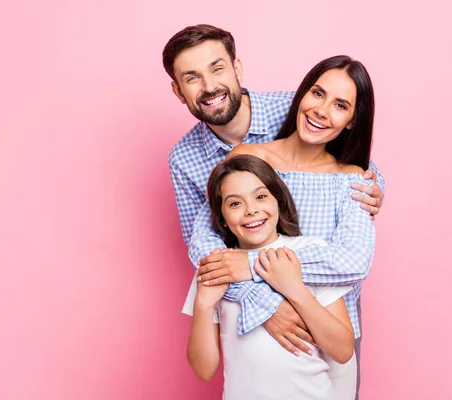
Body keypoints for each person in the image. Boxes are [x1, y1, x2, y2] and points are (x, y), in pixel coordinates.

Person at [163, 24, 385, 398]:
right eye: (316, 94)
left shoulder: (343, 173)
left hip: (332, 318)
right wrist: (267, 303)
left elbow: (355, 253)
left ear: (237, 67)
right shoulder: (239, 159)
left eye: (217, 68)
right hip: (252, 325)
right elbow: (203, 245)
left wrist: (253, 266)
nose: (320, 109)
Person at [182, 154, 363, 399]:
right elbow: (203, 370)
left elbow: (342, 351)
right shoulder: (217, 266)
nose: (251, 210)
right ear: (222, 218)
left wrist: (294, 289)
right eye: (235, 203)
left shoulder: (310, 251)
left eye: (260, 196)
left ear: (277, 200)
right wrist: (203, 305)